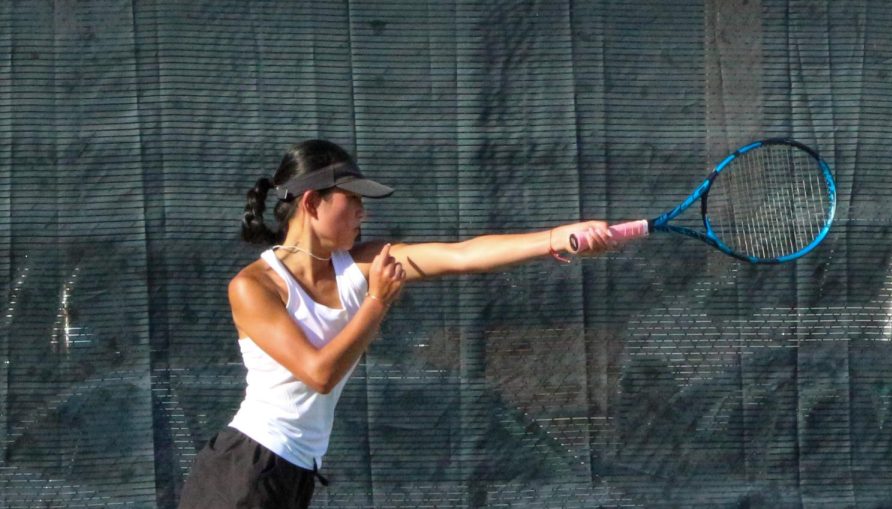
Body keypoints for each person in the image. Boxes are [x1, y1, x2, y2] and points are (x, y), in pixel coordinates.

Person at [178, 139, 613, 508]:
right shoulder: (253, 286)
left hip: (294, 473)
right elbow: (319, 373)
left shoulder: (362, 263)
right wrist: (376, 303)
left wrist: (559, 238)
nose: (362, 214)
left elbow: (462, 255)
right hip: (244, 472)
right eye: (353, 201)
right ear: (312, 202)